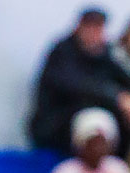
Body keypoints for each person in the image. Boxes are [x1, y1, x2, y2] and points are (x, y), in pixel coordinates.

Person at [30, 7, 130, 156]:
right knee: (95, 121)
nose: (94, 34)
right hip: (58, 126)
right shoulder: (62, 53)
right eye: (90, 27)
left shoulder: (106, 54)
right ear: (79, 27)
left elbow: (123, 80)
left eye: (98, 28)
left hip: (107, 123)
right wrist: (117, 98)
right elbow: (76, 86)